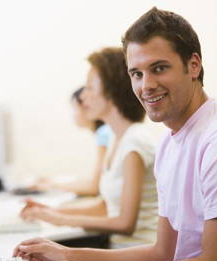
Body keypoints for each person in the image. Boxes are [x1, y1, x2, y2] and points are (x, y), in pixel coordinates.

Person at [13, 7, 217, 261]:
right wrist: (69, 255)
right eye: (137, 74)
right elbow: (162, 253)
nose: (146, 85)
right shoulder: (169, 144)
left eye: (159, 68)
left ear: (193, 65)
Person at [21, 47, 158, 248]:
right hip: (118, 252)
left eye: (90, 88)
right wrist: (49, 212)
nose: (83, 97)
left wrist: (61, 220)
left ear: (112, 92)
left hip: (137, 259)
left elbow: (125, 223)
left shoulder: (134, 142)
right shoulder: (115, 139)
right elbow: (105, 207)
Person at [33, 86, 112, 196]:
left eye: (75, 108)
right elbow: (96, 180)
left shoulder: (104, 134)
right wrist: (53, 183)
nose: (73, 115)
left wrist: (53, 186)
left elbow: (94, 186)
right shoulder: (106, 132)